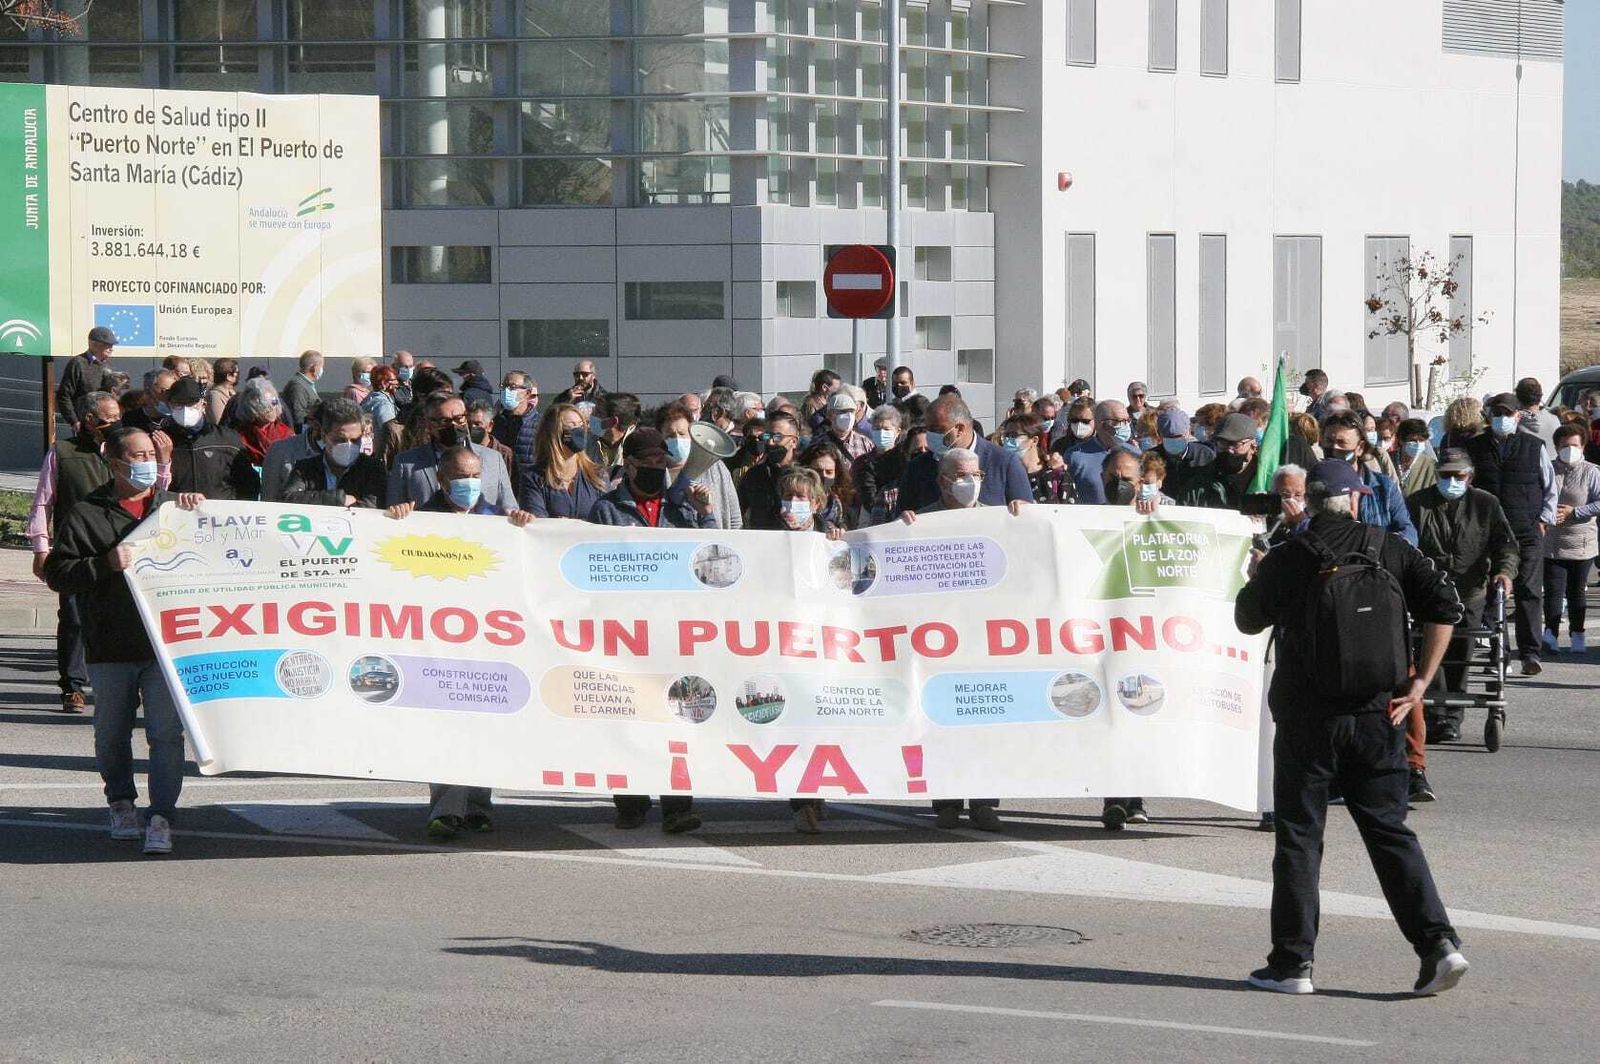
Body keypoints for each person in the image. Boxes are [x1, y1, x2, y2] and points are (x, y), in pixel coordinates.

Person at [1236, 458, 1468, 997]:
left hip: (1307, 717)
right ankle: (1438, 946)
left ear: (1309, 503)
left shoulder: (1291, 556)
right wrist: (1419, 685)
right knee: (1390, 832)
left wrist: (1258, 576)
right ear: (1356, 500)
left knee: (1299, 839)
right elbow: (1447, 608)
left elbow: (1248, 619)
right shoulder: (1389, 547)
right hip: (1380, 714)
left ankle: (1292, 965)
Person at [43, 427, 205, 856]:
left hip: (165, 647)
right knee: (112, 733)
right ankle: (120, 802)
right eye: (137, 455)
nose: (146, 461)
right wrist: (104, 564)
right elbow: (58, 573)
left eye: (151, 453)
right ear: (115, 463)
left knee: (166, 734)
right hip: (111, 644)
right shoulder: (87, 513)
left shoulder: (170, 508)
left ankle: (162, 815)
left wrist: (197, 509)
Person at [386, 447, 535, 839]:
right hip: (439, 640)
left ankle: (479, 806)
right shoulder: (420, 519)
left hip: (487, 639)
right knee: (447, 724)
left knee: (484, 723)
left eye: (474, 476)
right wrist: (397, 521)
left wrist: (522, 525)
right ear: (441, 479)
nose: (469, 484)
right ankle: (446, 809)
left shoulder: (496, 521)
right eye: (459, 477)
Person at [587, 429, 714, 834]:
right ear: (631, 466)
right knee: (627, 717)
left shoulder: (681, 510)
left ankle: (677, 806)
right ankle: (631, 801)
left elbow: (712, 563)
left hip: (673, 630)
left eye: (664, 464)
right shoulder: (607, 510)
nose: (658, 471)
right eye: (650, 464)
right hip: (624, 632)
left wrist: (705, 513)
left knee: (675, 716)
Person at [27, 392, 167, 713]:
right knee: (75, 617)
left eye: (119, 416)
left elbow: (156, 493)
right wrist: (40, 546)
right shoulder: (63, 452)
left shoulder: (127, 450)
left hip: (131, 552)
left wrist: (163, 461)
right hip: (81, 543)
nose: (115, 422)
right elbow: (43, 500)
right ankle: (73, 686)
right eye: (108, 417)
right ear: (90, 420)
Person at [901, 446, 1017, 831]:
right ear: (943, 481)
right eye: (961, 475)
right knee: (944, 721)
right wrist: (902, 528)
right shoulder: (923, 521)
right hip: (940, 644)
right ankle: (947, 802)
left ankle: (985, 803)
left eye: (976, 475)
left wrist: (1024, 522)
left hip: (984, 641)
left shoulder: (999, 520)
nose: (970, 482)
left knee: (985, 724)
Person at [1406, 449, 1518, 746]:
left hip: (1470, 590)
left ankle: (1452, 715)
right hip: (1429, 592)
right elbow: (1405, 542)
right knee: (1430, 652)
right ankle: (1438, 714)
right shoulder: (1418, 504)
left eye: (1459, 476)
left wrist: (1504, 572)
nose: (1452, 481)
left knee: (1459, 653)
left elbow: (1505, 545)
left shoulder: (1486, 504)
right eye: (1446, 476)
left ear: (1469, 477)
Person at [1466, 393, 1557, 675]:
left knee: (1529, 592)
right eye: (1497, 413)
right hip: (1490, 534)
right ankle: (1498, 655)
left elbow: (1549, 485)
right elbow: (1467, 487)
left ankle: (1530, 653)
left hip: (1527, 530)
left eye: (1507, 414)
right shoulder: (1475, 447)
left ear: (1518, 416)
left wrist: (1544, 518)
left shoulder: (1533, 446)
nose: (1502, 419)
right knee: (1494, 594)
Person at [897, 394, 1031, 515]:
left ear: (960, 429)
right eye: (928, 429)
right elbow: (901, 521)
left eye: (937, 430)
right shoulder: (917, 468)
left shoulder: (1005, 463)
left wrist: (1022, 509)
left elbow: (1025, 520)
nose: (930, 436)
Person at [388, 393, 517, 510]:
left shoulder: (493, 459)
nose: (454, 426)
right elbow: (393, 508)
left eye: (459, 418)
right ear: (428, 424)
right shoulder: (406, 463)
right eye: (444, 421)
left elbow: (509, 507)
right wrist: (400, 511)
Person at [1542, 424, 1600, 654]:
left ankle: (1578, 633)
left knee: (1576, 592)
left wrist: (1575, 511)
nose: (1569, 450)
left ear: (1583, 446)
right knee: (1554, 591)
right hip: (1552, 540)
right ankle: (1550, 634)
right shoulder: (1548, 469)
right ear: (1556, 447)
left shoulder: (1592, 472)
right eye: (1564, 446)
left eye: (1574, 445)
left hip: (1581, 541)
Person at [1321, 411, 1416, 545]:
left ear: (1360, 448)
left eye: (1342, 443)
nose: (1334, 448)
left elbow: (1407, 531)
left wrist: (1385, 551)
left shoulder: (1384, 487)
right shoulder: (1313, 487)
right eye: (1329, 441)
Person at [159, 376, 261, 499]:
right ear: (170, 406)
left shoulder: (227, 439)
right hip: (177, 514)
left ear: (203, 405)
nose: (185, 409)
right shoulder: (160, 441)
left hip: (219, 514)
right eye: (179, 403)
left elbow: (249, 483)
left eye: (191, 403)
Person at [283, 399, 388, 508]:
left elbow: (372, 505)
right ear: (324, 436)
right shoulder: (305, 469)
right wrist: (338, 498)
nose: (349, 445)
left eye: (355, 440)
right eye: (340, 440)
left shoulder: (373, 469)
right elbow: (288, 498)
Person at [519, 403, 608, 519]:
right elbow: (537, 522)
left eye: (581, 426)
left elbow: (608, 518)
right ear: (554, 434)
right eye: (571, 426)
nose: (579, 431)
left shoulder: (597, 475)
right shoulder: (533, 478)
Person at [659, 403, 740, 529]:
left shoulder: (716, 468)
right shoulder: (656, 470)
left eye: (682, 433)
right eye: (670, 435)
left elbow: (734, 519)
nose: (677, 439)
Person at [1171, 412, 1253, 509]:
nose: (1229, 450)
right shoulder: (1199, 483)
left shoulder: (1266, 479)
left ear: (1252, 443)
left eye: (1236, 444)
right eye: (1223, 443)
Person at [1064, 400, 1139, 504]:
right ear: (1101, 424)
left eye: (1127, 421)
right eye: (1119, 421)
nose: (1126, 426)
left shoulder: (1135, 455)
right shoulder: (1075, 456)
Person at [738, 410, 802, 528]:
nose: (770, 442)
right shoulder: (754, 476)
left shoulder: (805, 476)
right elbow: (738, 513)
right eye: (767, 436)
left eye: (778, 437)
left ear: (794, 441)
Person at [1000, 413, 1073, 504]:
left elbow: (1071, 511)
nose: (1008, 440)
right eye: (1006, 436)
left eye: (1014, 435)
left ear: (1034, 440)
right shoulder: (1003, 475)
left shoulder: (1055, 474)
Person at [56, 326, 116, 435]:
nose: (111, 348)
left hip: (106, 423)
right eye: (107, 345)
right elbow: (64, 395)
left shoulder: (108, 365)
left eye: (111, 345)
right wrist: (74, 421)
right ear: (94, 345)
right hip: (85, 425)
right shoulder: (78, 363)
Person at [231, 377, 293, 475]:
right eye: (264, 406)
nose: (272, 409)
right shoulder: (240, 436)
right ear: (252, 408)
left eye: (274, 402)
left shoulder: (286, 432)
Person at [798, 440, 857, 530]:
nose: (823, 476)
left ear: (836, 474)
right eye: (817, 471)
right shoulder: (793, 501)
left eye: (829, 472)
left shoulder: (845, 506)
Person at [494, 371, 541, 474]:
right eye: (504, 386)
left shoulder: (540, 426)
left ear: (527, 393)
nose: (506, 391)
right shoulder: (496, 422)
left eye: (512, 387)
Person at [467, 399, 518, 490]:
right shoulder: (462, 451)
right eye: (469, 424)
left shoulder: (505, 455)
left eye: (477, 424)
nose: (472, 428)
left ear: (490, 426)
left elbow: (513, 488)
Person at [822, 388, 876, 465]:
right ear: (830, 415)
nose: (849, 416)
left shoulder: (866, 443)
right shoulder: (820, 443)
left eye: (852, 411)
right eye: (843, 411)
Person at [593, 392, 641, 475]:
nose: (592, 416)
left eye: (599, 413)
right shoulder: (585, 443)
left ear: (613, 421)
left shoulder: (641, 450)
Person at [1515, 377, 1560, 455]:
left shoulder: (1515, 422)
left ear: (1518, 398)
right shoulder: (1554, 420)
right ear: (1540, 396)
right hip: (1552, 465)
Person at [1395, 418, 1438, 495]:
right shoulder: (1389, 459)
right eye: (1413, 440)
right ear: (1401, 440)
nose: (1418, 444)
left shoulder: (1430, 465)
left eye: (1421, 440)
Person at [361, 364, 401, 436]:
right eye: (393, 380)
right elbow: (389, 429)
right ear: (383, 383)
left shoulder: (369, 399)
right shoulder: (383, 404)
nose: (397, 383)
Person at [203, 358, 239, 427]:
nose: (237, 376)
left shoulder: (231, 393)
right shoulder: (215, 396)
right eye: (236, 373)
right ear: (228, 376)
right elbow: (219, 423)